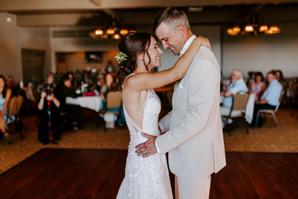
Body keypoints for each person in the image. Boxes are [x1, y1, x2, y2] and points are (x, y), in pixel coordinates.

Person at [135, 8, 226, 199]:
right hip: (184, 153)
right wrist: (158, 126)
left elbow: (197, 118)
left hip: (195, 156)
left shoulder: (202, 62)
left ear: (181, 30)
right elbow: (181, 110)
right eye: (161, 42)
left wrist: (159, 144)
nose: (165, 46)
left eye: (166, 39)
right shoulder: (190, 59)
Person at [116, 31, 210, 199]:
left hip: (152, 151)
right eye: (154, 47)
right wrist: (198, 41)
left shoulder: (142, 79)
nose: (160, 51)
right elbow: (176, 73)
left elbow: (145, 117)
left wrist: (158, 128)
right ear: (139, 54)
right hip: (145, 156)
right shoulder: (134, 81)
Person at [0, 75, 13, 143]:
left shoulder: (8, 90)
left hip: (6, 112)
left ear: (4, 82)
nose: (0, 83)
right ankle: (5, 133)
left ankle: (4, 132)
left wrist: (1, 114)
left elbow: (5, 104)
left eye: (2, 81)